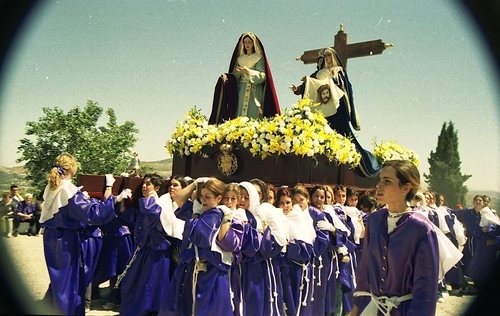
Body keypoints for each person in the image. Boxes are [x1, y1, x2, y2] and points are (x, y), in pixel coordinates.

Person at [40, 153, 131, 315]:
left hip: (51, 237)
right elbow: (92, 214)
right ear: (71, 168)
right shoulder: (68, 189)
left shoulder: (52, 186)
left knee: (58, 280)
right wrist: (115, 200)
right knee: (68, 282)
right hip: (65, 239)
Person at [352, 160, 439, 316]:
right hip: (372, 307)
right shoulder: (374, 220)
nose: (379, 185)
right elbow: (365, 267)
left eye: (387, 181)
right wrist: (357, 306)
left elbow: (425, 288)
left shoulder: (420, 228)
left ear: (405, 188)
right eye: (380, 179)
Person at [161, 177, 235, 316]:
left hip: (209, 271)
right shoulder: (203, 211)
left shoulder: (215, 213)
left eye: (208, 197)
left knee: (205, 309)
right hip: (191, 267)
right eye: (202, 196)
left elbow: (200, 237)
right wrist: (195, 184)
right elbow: (178, 199)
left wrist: (195, 215)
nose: (203, 200)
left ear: (219, 198)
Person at [118, 173, 174, 316]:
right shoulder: (144, 205)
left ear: (157, 187)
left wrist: (152, 198)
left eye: (148, 184)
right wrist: (122, 199)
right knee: (132, 283)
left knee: (149, 288)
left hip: (156, 253)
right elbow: (130, 215)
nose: (144, 186)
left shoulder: (159, 204)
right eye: (143, 183)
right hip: (142, 251)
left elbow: (152, 214)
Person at [209, 32, 280, 124]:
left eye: (249, 42)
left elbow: (263, 76)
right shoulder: (240, 59)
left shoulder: (258, 58)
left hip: (254, 91)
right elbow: (235, 77)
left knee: (253, 115)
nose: (247, 44)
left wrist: (249, 72)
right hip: (241, 91)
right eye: (245, 42)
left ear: (253, 43)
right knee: (239, 113)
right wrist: (227, 78)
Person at [452, 195, 499, 294]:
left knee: (481, 265)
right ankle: (463, 284)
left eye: (480, 200)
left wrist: (488, 229)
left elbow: (496, 226)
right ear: (473, 202)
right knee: (464, 261)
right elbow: (454, 212)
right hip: (471, 242)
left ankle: (478, 287)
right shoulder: (468, 212)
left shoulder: (488, 213)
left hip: (482, 243)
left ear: (483, 203)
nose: (478, 201)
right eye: (476, 200)